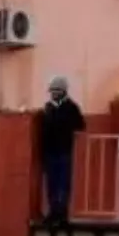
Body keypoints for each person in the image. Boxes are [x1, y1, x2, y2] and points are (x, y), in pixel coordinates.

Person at [39, 76, 86, 226]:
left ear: (64, 92)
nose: (54, 94)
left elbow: (81, 125)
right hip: (51, 152)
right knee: (52, 184)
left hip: (64, 151)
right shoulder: (48, 108)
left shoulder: (71, 107)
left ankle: (62, 213)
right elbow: (43, 130)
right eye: (53, 91)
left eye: (57, 91)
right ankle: (53, 212)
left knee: (63, 183)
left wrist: (66, 126)